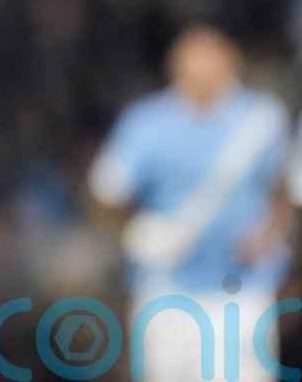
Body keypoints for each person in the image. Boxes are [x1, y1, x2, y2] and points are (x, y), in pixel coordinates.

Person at [87, 24, 293, 382]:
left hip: (241, 289)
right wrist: (137, 231)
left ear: (232, 62)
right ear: (175, 65)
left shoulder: (263, 120)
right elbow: (103, 194)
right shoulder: (145, 124)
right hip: (166, 290)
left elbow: (286, 188)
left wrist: (271, 232)